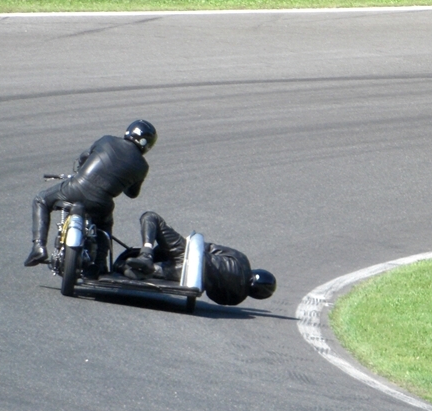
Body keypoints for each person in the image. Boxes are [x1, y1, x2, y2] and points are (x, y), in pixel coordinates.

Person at [24, 120, 157, 272]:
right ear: (147, 144)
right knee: (105, 226)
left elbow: (83, 157)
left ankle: (38, 247)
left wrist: (81, 171)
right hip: (102, 202)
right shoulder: (142, 167)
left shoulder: (107, 139)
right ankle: (100, 264)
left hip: (77, 187)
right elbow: (133, 193)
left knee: (41, 199)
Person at [115, 211, 276, 306]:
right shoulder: (236, 299)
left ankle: (146, 254)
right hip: (188, 276)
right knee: (151, 271)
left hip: (188, 254)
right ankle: (127, 267)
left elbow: (207, 247)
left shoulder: (241, 259)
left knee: (150, 217)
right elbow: (213, 295)